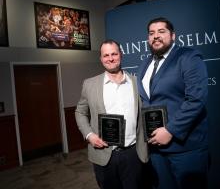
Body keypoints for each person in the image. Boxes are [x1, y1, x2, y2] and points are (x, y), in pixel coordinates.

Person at [137, 17, 209, 189]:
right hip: (155, 149)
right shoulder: (145, 64)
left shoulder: (188, 57)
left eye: (161, 31)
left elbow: (196, 99)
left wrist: (171, 130)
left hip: (185, 149)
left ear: (173, 35)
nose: (156, 36)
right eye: (151, 33)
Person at [75, 39, 148, 189]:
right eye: (106, 55)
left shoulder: (136, 82)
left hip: (133, 153)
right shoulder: (89, 84)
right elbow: (80, 112)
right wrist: (89, 135)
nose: (110, 58)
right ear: (101, 58)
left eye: (114, 54)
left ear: (121, 55)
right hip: (103, 154)